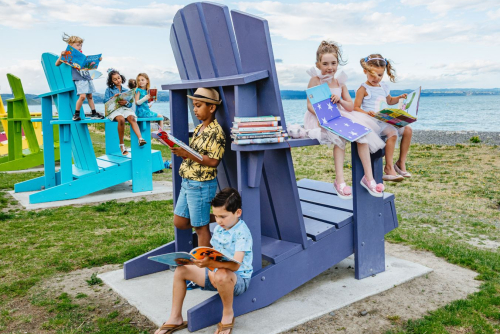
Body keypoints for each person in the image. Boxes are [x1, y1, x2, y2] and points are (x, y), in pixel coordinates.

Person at [155, 188, 252, 334]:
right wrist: (196, 262)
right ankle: (175, 317)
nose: (218, 221)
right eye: (216, 216)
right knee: (181, 270)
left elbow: (236, 265)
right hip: (215, 272)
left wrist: (212, 267)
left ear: (238, 213)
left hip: (237, 280)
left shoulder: (242, 232)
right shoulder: (221, 228)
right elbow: (214, 252)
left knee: (222, 274)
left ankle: (227, 315)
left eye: (223, 216)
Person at [304, 41, 385, 198]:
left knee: (362, 135)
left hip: (341, 115)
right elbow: (309, 105)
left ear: (337, 64)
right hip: (321, 118)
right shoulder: (316, 80)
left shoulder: (340, 82)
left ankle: (369, 179)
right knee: (339, 138)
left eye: (333, 63)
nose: (330, 67)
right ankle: (339, 180)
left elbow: (350, 106)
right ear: (318, 64)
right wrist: (321, 117)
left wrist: (339, 99)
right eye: (325, 63)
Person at [171, 87, 226, 247]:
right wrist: (182, 152)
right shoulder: (198, 129)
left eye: (199, 105)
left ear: (212, 107)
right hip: (187, 182)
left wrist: (187, 154)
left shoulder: (216, 132)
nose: (194, 109)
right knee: (180, 221)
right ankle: (223, 217)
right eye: (194, 105)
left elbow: (213, 161)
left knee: (201, 228)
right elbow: (196, 155)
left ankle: (205, 266)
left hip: (201, 185)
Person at [355, 54, 412, 181]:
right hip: (373, 121)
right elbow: (356, 107)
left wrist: (399, 98)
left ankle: (400, 163)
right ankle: (388, 168)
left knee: (408, 130)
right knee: (392, 133)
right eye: (373, 75)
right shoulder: (363, 89)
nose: (376, 78)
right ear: (365, 71)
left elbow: (390, 101)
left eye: (380, 75)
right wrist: (367, 113)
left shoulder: (384, 87)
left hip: (384, 119)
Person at [55, 33, 104, 121]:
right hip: (79, 78)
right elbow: (57, 64)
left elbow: (89, 65)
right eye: (77, 45)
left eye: (81, 45)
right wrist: (61, 55)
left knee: (90, 96)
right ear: (70, 45)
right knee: (82, 97)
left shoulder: (82, 55)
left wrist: (97, 60)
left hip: (87, 77)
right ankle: (76, 114)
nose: (80, 47)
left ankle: (94, 113)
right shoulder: (68, 54)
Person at [104, 68, 147, 154]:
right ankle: (122, 145)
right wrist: (113, 98)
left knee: (132, 117)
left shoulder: (125, 90)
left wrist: (126, 102)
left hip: (124, 108)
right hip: (114, 110)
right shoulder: (108, 90)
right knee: (121, 119)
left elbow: (130, 104)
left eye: (119, 78)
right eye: (115, 79)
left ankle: (140, 139)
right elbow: (105, 101)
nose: (117, 80)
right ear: (111, 81)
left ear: (121, 78)